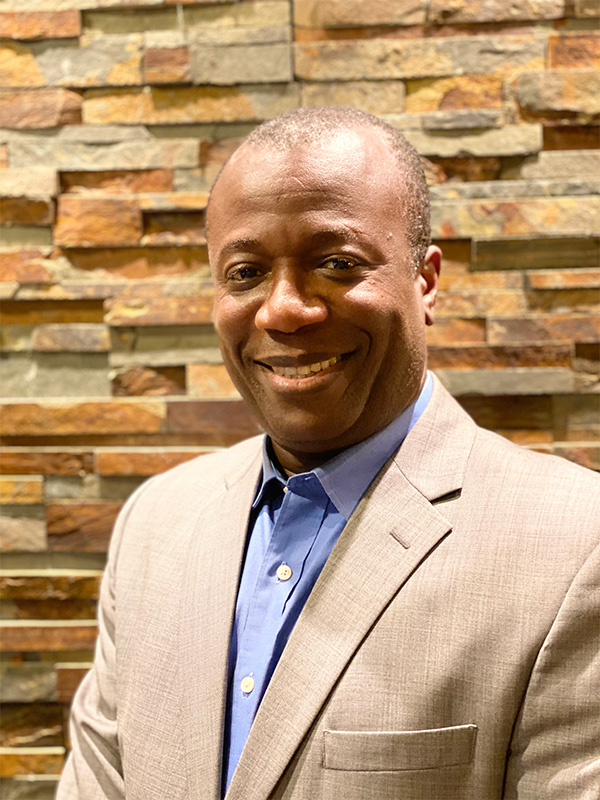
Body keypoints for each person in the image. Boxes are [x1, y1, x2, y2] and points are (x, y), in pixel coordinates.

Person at [56, 107, 600, 800]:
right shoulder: (155, 525)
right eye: (246, 272)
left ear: (425, 280)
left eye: (337, 263)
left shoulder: (578, 544)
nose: (284, 309)